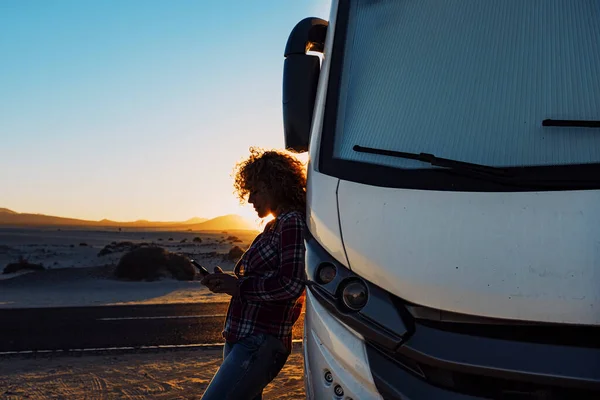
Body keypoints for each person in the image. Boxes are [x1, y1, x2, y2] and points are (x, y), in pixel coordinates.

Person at [200, 147, 307, 400]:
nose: (250, 200)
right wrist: (228, 282)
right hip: (242, 337)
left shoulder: (292, 222)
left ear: (276, 186)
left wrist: (238, 287)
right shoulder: (274, 226)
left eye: (256, 191)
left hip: (259, 342)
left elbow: (292, 284)